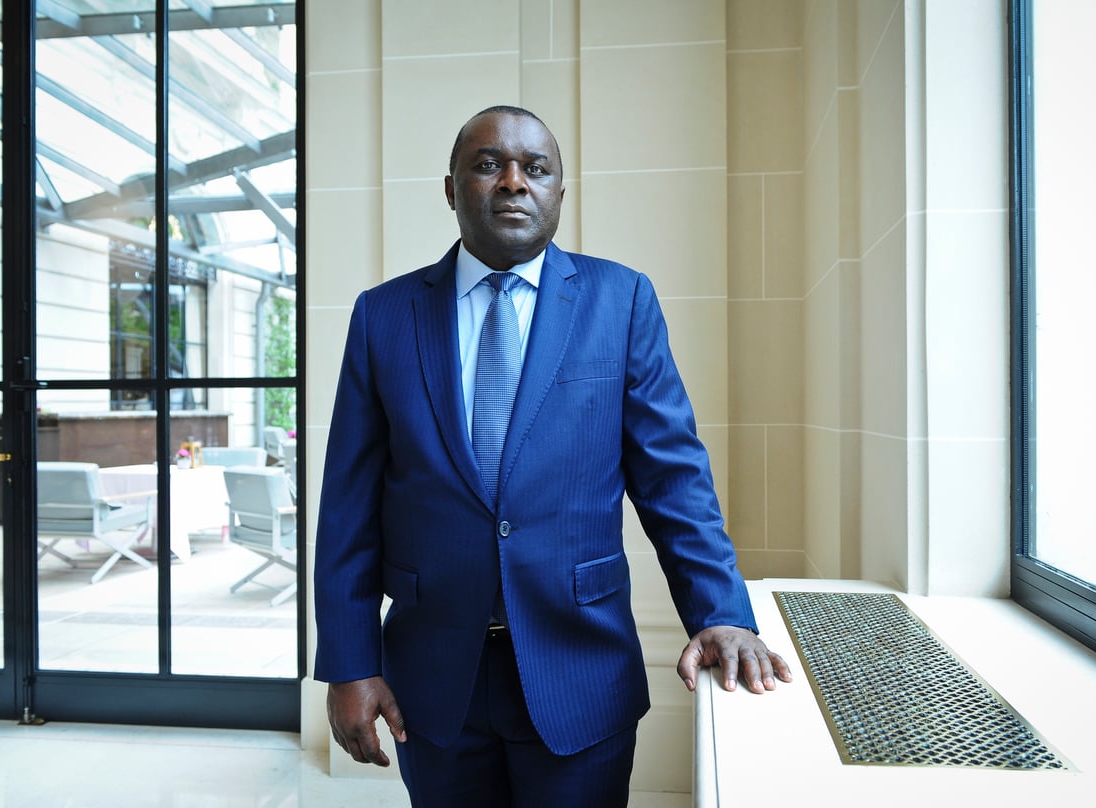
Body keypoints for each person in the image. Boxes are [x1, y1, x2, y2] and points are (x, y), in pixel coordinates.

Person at [314, 105, 792, 807]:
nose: (513, 182)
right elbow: (347, 505)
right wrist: (348, 664)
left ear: (558, 194)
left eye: (535, 169)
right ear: (451, 188)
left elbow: (672, 478)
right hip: (431, 673)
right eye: (487, 165)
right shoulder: (383, 315)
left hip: (580, 666)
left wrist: (720, 611)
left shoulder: (619, 299)